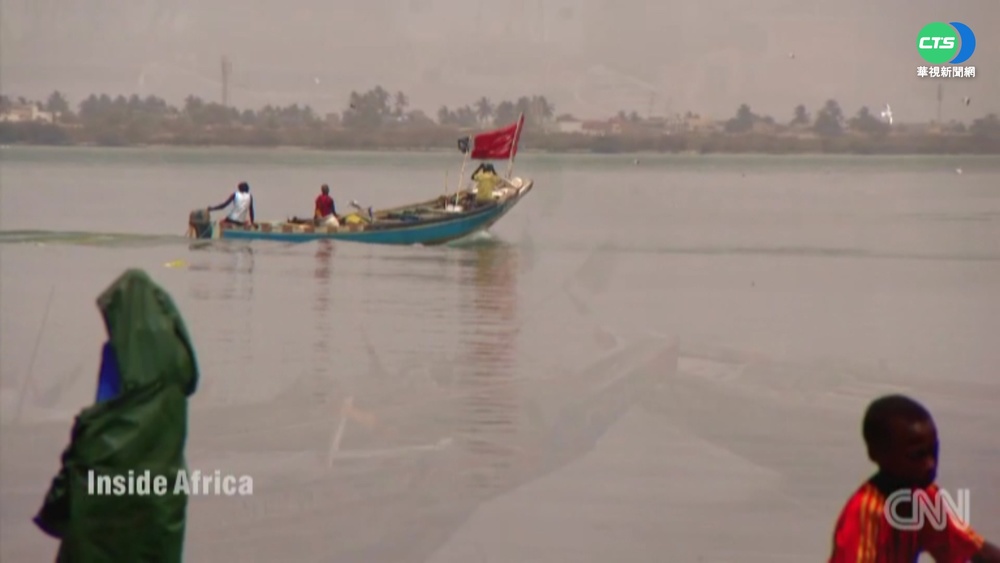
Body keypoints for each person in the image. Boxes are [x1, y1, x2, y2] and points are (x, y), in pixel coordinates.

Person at [828, 394, 1000, 562]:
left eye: (933, 450)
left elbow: (974, 549)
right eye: (917, 455)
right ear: (876, 454)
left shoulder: (925, 497)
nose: (930, 464)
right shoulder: (865, 514)